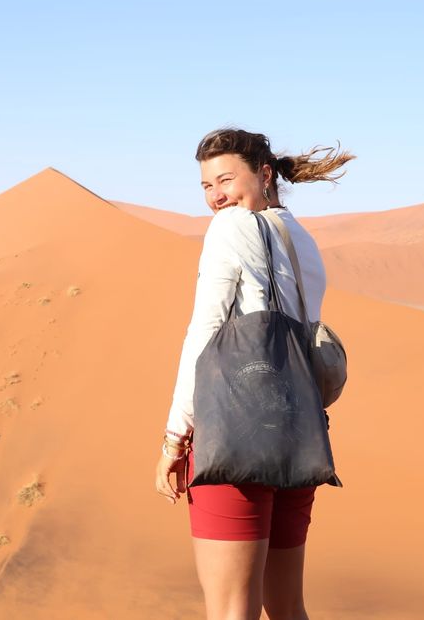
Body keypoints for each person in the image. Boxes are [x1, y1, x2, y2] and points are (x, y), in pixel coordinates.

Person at [154, 128, 354, 620]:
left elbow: (204, 336)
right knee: (287, 608)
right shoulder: (301, 238)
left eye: (225, 179)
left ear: (264, 174)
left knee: (230, 612)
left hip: (236, 438)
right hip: (297, 436)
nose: (216, 196)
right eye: (206, 186)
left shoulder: (229, 228)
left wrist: (174, 439)